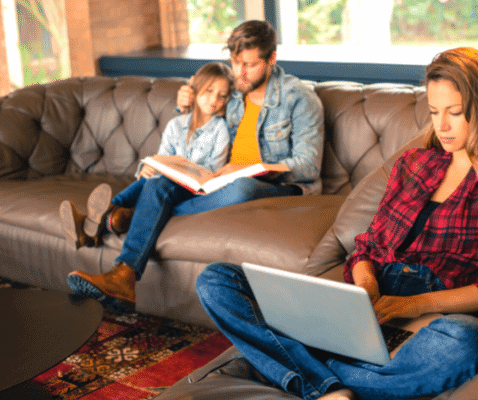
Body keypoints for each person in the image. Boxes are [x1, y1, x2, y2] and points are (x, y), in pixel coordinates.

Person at [196, 47, 478, 400]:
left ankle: (296, 370)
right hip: (370, 303)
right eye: (435, 112)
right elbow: (369, 246)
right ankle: (326, 383)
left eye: (455, 113)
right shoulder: (415, 164)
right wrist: (366, 289)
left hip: (436, 316)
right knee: (217, 279)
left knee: (470, 343)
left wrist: (413, 305)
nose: (441, 126)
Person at [64, 20, 325, 312]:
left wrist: (248, 168)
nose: (240, 73)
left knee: (241, 187)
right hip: (218, 180)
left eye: (249, 65)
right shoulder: (235, 94)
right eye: (235, 62)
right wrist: (186, 107)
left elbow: (308, 166)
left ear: (271, 60)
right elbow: (206, 118)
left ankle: (133, 216)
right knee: (159, 182)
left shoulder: (299, 98)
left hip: (278, 187)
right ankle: (123, 276)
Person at [62, 61, 235, 311]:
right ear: (194, 90)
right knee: (150, 177)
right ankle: (108, 217)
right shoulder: (177, 125)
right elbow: (162, 155)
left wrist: (180, 170)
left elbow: (212, 169)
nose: (215, 100)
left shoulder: (220, 129)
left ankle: (105, 232)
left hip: (193, 187)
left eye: (222, 95)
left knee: (159, 182)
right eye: (208, 91)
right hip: (166, 180)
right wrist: (149, 166)